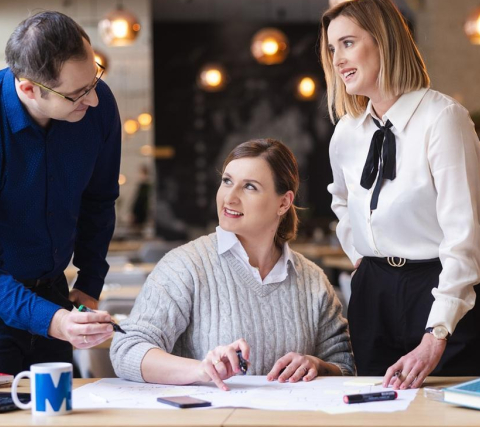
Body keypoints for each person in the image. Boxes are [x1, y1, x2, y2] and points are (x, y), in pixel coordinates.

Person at [0, 11, 121, 373]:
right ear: (29, 88)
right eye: (77, 93)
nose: (92, 101)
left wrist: (90, 283)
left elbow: (99, 199)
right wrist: (56, 321)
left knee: (54, 408)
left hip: (49, 281)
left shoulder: (98, 103)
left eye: (94, 80)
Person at [322, 0, 480, 390]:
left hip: (444, 286)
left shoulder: (443, 119)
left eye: (348, 43)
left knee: (448, 421)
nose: (336, 60)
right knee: (375, 415)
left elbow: (462, 235)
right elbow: (341, 200)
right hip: (374, 292)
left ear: (383, 41)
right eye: (332, 49)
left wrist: (436, 332)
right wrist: (364, 258)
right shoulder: (347, 132)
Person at [111, 139, 354, 390]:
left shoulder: (313, 281)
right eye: (227, 181)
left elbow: (345, 366)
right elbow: (126, 350)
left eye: (249, 186)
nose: (230, 196)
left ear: (283, 203)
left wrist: (316, 364)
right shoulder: (185, 266)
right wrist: (199, 369)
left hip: (287, 425)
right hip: (207, 424)